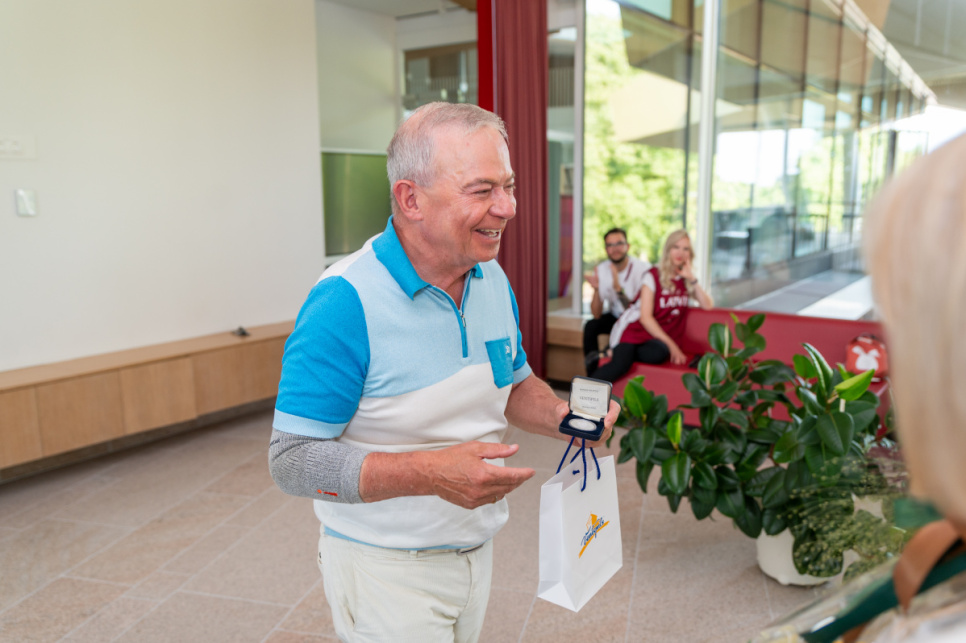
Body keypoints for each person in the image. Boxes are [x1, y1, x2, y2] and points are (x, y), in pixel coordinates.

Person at [268, 102, 618, 643]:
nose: (508, 207)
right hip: (385, 570)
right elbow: (291, 461)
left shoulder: (490, 277)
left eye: (508, 185)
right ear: (411, 199)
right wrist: (430, 473)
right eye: (482, 190)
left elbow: (511, 382)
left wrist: (561, 415)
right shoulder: (344, 300)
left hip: (477, 551)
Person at [591, 228, 713, 383]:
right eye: (676, 247)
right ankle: (580, 395)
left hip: (655, 337)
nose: (680, 253)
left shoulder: (685, 280)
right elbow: (645, 318)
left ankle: (609, 352)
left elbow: (707, 305)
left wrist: (691, 278)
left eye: (685, 248)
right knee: (620, 365)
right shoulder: (653, 275)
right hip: (634, 330)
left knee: (657, 353)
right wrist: (673, 346)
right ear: (668, 250)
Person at [583, 228, 651, 374]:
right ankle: (591, 373)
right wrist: (596, 290)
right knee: (591, 326)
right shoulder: (601, 269)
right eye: (610, 245)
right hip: (616, 317)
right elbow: (596, 314)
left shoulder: (643, 270)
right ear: (606, 249)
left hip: (636, 320)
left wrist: (619, 290)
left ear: (628, 246)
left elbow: (636, 311)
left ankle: (607, 356)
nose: (615, 249)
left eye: (619, 243)